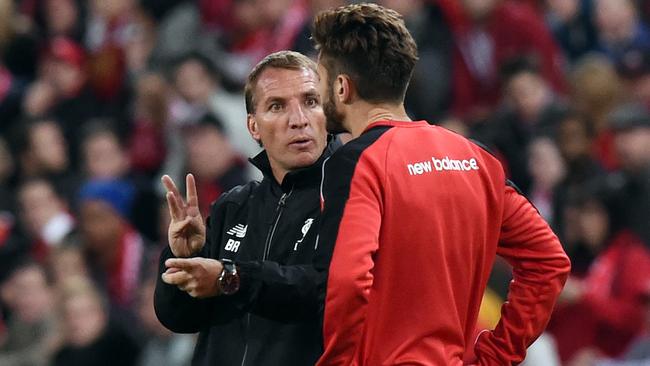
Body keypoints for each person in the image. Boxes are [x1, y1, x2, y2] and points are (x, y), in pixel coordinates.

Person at [310, 3, 571, 365]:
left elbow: (349, 282)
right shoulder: (477, 158)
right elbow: (549, 262)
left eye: (319, 80)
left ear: (342, 87)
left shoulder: (355, 163)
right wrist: (497, 356)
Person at [154, 50, 334, 365]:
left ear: (327, 115)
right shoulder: (233, 206)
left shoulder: (347, 197)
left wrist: (231, 278)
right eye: (277, 106)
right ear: (253, 127)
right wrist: (183, 257)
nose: (298, 120)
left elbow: (321, 291)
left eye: (310, 101)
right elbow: (180, 318)